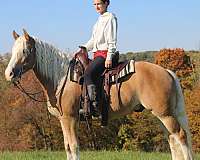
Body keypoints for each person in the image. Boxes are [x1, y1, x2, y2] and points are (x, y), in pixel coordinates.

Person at [82, 0, 118, 116]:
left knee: (88, 73)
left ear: (106, 3)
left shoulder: (110, 18)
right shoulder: (98, 21)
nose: (96, 6)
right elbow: (93, 41)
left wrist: (109, 57)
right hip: (97, 54)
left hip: (104, 54)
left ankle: (95, 105)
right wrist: (83, 48)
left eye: (99, 4)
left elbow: (112, 41)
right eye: (95, 4)